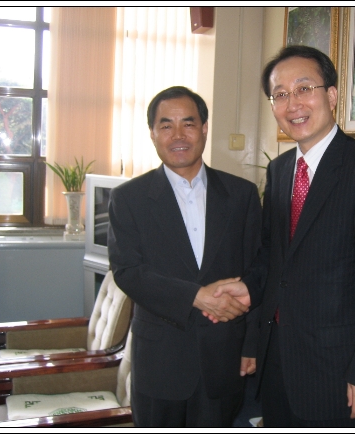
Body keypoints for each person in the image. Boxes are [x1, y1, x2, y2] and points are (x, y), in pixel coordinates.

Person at [211, 45, 355, 427]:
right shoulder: (281, 170)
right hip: (278, 362)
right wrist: (248, 289)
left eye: (304, 88)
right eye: (280, 94)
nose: (293, 104)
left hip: (338, 369)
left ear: (331, 95)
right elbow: (273, 256)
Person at [107, 86, 262, 427]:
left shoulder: (241, 195)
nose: (178, 135)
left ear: (204, 128)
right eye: (166, 125)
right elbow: (128, 271)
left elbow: (256, 269)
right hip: (160, 362)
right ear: (152, 133)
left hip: (224, 357)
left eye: (188, 124)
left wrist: (251, 345)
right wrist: (196, 296)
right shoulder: (128, 199)